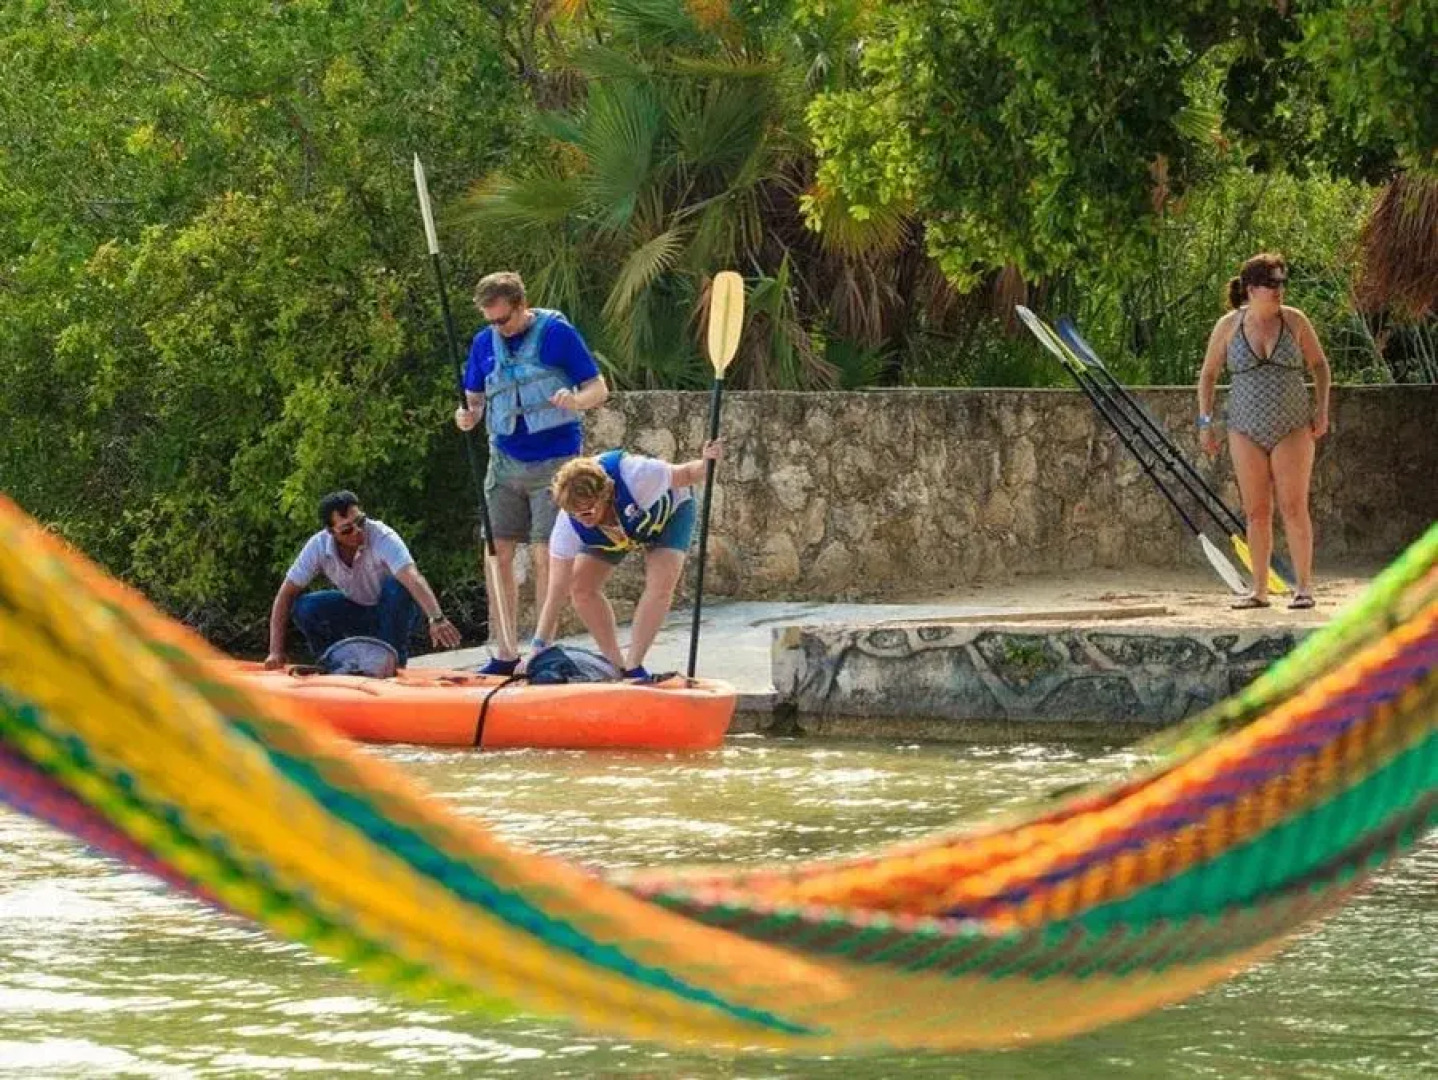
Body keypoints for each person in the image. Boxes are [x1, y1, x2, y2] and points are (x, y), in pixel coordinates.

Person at [454, 271, 609, 674]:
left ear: (522, 306)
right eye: (490, 321)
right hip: (504, 460)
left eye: (503, 320)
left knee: (546, 554)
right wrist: (467, 416)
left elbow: (598, 388)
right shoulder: (483, 343)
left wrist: (575, 400)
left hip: (555, 461)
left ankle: (542, 650)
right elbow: (473, 398)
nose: (497, 329)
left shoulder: (556, 333)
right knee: (497, 553)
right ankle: (504, 651)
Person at [523, 441, 723, 680]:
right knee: (581, 588)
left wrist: (707, 461)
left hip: (668, 513)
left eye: (587, 512)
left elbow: (688, 474)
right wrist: (537, 648)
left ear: (605, 494)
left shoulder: (637, 474)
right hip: (616, 532)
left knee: (660, 586)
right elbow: (556, 591)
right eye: (573, 513)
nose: (581, 519)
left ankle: (635, 665)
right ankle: (617, 665)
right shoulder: (569, 524)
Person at [1198, 252, 1331, 610]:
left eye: (1282, 282)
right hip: (1245, 426)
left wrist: (1322, 408)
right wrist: (1205, 422)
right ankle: (1259, 589)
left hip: (1292, 425)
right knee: (1256, 511)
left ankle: (1303, 588)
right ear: (1252, 288)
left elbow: (1319, 365)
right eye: (1273, 283)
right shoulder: (1228, 326)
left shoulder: (1295, 322)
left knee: (1293, 505)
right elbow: (1208, 374)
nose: (1280, 290)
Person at [264, 491, 461, 669]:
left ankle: (393, 663)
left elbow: (412, 577)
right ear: (331, 532)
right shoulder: (317, 546)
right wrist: (275, 652)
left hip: (393, 611)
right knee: (305, 606)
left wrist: (437, 618)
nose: (357, 531)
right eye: (347, 529)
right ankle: (333, 663)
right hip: (356, 609)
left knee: (398, 586)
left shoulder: (382, 535)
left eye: (360, 521)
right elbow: (285, 595)